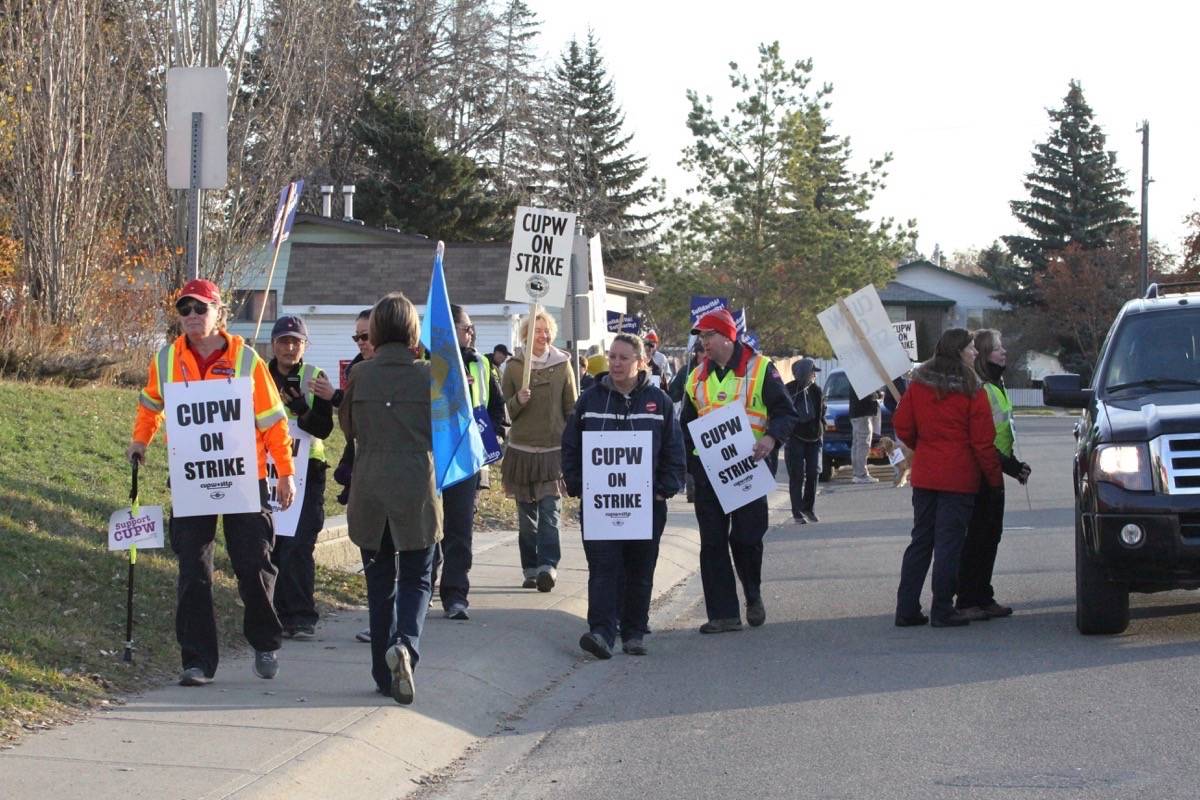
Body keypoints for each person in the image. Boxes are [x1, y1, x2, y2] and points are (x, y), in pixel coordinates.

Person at [126, 278, 294, 686]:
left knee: (253, 564)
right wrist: (140, 440)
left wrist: (285, 472)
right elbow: (150, 405)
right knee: (193, 570)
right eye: (184, 309)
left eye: (200, 308)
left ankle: (264, 641)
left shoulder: (246, 359)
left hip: (245, 476)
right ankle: (198, 660)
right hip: (192, 477)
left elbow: (273, 420)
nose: (192, 316)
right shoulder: (167, 358)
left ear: (219, 312)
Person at [339, 292, 442, 704]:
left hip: (370, 486)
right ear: (413, 330)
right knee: (417, 576)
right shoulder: (430, 375)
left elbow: (349, 427)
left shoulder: (360, 374)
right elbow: (446, 429)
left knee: (379, 583)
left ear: (377, 330)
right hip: (416, 484)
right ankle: (406, 646)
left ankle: (384, 676)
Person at [562, 334, 686, 658]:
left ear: (641, 362)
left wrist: (663, 490)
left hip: (647, 506)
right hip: (601, 505)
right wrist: (577, 484)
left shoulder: (659, 402)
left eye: (624, 358)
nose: (616, 363)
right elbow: (571, 445)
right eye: (612, 356)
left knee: (639, 569)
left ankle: (634, 632)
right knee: (603, 568)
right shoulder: (589, 400)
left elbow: (674, 450)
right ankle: (601, 633)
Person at [681, 308, 798, 633]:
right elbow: (686, 425)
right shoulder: (696, 377)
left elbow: (786, 413)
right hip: (709, 474)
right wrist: (691, 470)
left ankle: (752, 592)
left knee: (746, 539)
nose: (703, 342)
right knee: (712, 544)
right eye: (701, 337)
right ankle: (723, 615)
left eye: (708, 335)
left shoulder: (760, 368)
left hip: (749, 470)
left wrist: (771, 439)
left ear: (727, 337)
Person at [893, 328, 1003, 628]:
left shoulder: (919, 385)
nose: (975, 352)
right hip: (959, 476)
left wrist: (923, 446)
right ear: (959, 351)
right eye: (971, 348)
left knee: (921, 540)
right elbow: (982, 441)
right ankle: (942, 608)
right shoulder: (972, 389)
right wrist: (993, 479)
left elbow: (903, 425)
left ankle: (906, 607)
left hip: (926, 473)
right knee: (949, 545)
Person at [431, 305, 508, 621]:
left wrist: (493, 436)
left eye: (472, 327)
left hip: (467, 460)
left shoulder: (481, 364)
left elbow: (497, 410)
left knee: (459, 531)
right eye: (466, 328)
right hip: (432, 459)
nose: (471, 333)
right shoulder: (425, 363)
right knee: (428, 531)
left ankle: (455, 595)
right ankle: (421, 590)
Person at [267, 315, 335, 640]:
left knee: (298, 544)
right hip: (268, 472)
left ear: (305, 346)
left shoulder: (314, 377)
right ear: (273, 344)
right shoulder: (259, 376)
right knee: (273, 544)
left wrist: (302, 409)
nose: (290, 348)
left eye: (296, 342)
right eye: (284, 341)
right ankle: (276, 614)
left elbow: (324, 428)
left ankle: (302, 616)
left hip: (308, 471)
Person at [956, 329, 1032, 620]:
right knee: (978, 538)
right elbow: (981, 438)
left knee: (990, 537)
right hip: (982, 471)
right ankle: (968, 598)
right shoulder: (983, 390)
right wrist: (1010, 466)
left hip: (994, 468)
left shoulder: (996, 385)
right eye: (998, 348)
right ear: (985, 355)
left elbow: (1001, 433)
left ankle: (982, 596)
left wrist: (1013, 465)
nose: (1004, 353)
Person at [500, 310, 578, 591]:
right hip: (521, 451)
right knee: (526, 520)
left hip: (552, 452)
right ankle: (530, 569)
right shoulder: (514, 367)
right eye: (537, 331)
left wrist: (573, 446)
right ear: (526, 335)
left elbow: (572, 409)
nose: (543, 336)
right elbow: (504, 413)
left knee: (549, 513)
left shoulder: (563, 365)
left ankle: (548, 566)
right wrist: (518, 401)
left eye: (547, 331)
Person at [785, 358, 824, 523]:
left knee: (814, 472)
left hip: (814, 437)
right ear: (804, 373)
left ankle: (808, 508)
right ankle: (797, 512)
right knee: (797, 474)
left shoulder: (817, 390)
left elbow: (821, 412)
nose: (814, 375)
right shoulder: (789, 389)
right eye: (812, 372)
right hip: (795, 437)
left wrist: (821, 430)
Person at [849, 383, 881, 483]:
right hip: (863, 413)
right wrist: (878, 395)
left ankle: (857, 473)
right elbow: (869, 395)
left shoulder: (853, 377)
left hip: (855, 413)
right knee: (863, 445)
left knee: (856, 444)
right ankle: (861, 474)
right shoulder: (862, 379)